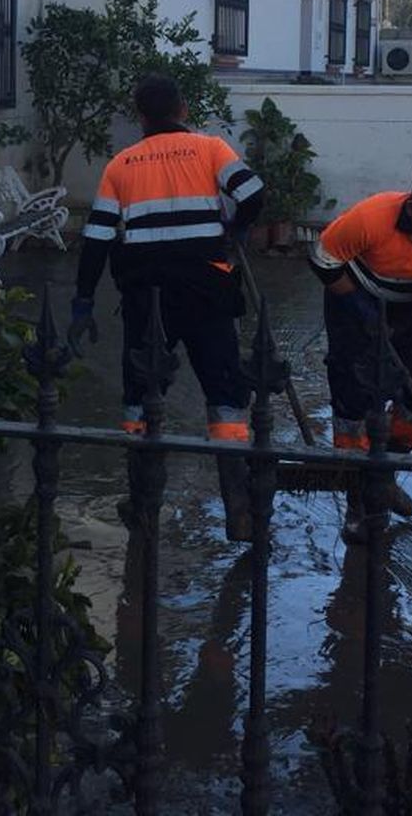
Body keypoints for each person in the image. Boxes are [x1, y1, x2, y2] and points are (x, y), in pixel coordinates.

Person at [69, 74, 265, 542]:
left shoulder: (121, 164)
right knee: (225, 396)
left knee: (142, 398)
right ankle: (237, 505)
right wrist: (235, 230)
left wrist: (83, 302)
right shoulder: (211, 148)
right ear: (182, 109)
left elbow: (96, 238)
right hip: (207, 290)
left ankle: (144, 507)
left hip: (147, 297)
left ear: (140, 117)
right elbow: (254, 194)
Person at [310, 168, 412, 535]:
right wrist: (362, 311)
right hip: (354, 298)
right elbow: (321, 258)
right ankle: (359, 503)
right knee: (354, 397)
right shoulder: (371, 218)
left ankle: (382, 473)